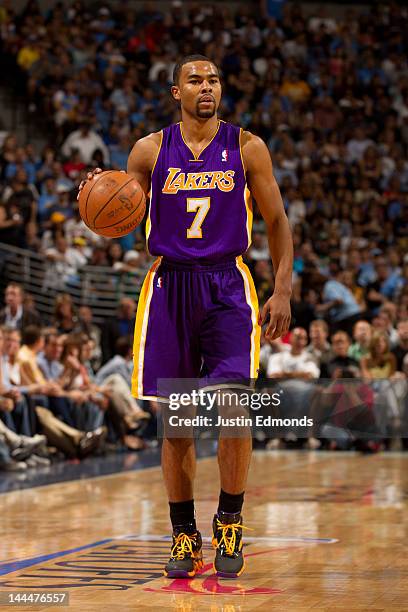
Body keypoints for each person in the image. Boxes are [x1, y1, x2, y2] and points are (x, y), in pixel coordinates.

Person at [80, 55, 293, 579]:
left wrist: (282, 289)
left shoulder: (247, 147)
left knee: (232, 408)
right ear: (176, 92)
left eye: (214, 79)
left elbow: (277, 221)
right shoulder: (150, 151)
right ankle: (182, 534)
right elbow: (121, 208)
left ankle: (229, 520)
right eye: (195, 80)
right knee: (175, 420)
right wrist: (95, 197)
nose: (206, 87)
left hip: (226, 283)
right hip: (169, 283)